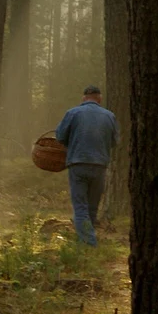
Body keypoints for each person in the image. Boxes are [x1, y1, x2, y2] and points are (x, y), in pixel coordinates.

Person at [54, 85, 119, 245]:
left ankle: (88, 244)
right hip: (99, 166)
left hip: (78, 164)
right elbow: (115, 141)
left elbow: (60, 136)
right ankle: (86, 239)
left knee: (80, 206)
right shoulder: (109, 116)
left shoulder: (73, 113)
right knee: (92, 206)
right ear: (100, 98)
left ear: (84, 98)